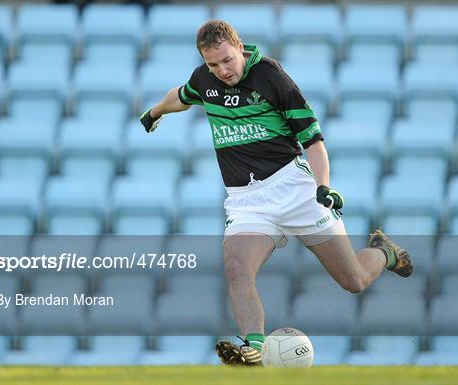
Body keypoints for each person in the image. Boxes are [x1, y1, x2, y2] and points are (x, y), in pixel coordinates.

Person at [140, 20, 413, 366]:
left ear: (240, 47)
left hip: (295, 189)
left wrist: (323, 186)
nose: (222, 70)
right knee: (237, 267)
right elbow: (180, 96)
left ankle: (386, 253)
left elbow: (312, 141)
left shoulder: (272, 78)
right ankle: (253, 346)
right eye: (213, 64)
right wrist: (155, 112)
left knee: (353, 281)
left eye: (227, 60)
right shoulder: (204, 80)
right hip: (246, 200)